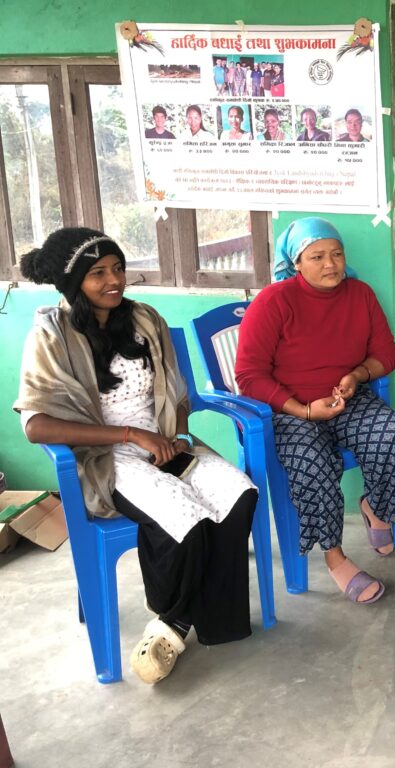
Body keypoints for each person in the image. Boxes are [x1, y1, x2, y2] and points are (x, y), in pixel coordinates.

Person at [13, 227, 258, 685]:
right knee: (185, 518)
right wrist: (129, 434)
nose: (115, 281)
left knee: (238, 494)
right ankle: (171, 621)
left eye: (119, 268)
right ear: (73, 283)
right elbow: (36, 425)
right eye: (98, 273)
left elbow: (178, 393)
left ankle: (216, 621)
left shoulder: (145, 319)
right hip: (107, 454)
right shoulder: (51, 336)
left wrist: (179, 434)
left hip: (163, 440)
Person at [234, 217, 395, 606]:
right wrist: (303, 410)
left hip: (345, 400)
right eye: (317, 256)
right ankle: (335, 556)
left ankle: (375, 505)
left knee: (393, 432)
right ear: (296, 262)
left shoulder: (360, 294)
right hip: (288, 410)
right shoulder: (274, 301)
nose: (330, 264)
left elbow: (386, 355)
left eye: (336, 254)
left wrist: (357, 374)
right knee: (311, 461)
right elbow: (248, 375)